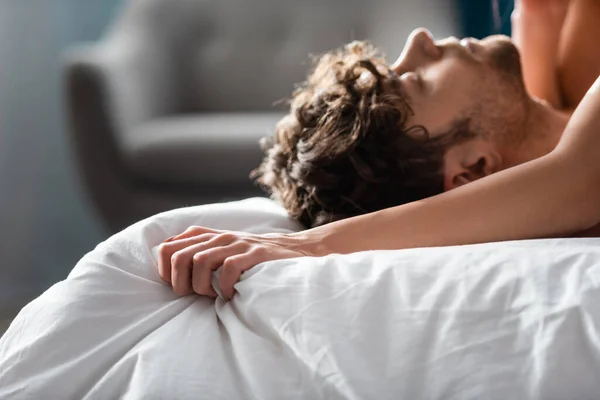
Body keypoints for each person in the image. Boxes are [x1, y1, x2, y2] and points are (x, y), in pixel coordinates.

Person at [157, 0, 600, 300]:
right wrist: (311, 246)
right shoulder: (576, 180)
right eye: (417, 80)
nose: (421, 40)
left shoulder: (558, 86)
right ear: (471, 171)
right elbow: (574, 179)